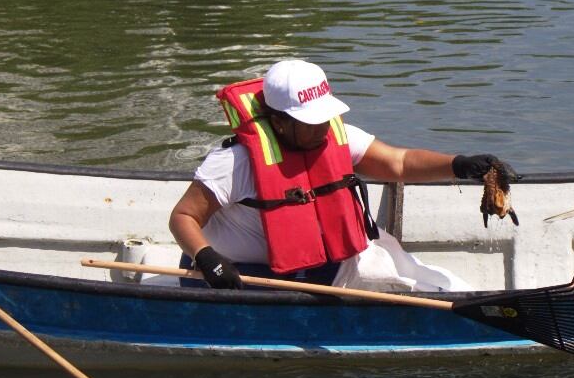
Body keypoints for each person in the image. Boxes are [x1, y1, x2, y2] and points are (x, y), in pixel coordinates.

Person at [169, 59, 518, 291]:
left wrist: (459, 164)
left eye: (324, 117)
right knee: (386, 280)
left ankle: (461, 304)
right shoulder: (235, 161)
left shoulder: (334, 136)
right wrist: (208, 260)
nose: (322, 127)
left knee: (409, 270)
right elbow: (183, 217)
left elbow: (398, 162)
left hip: (324, 264)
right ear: (279, 122)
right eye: (311, 122)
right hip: (239, 276)